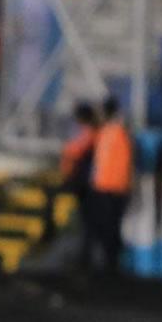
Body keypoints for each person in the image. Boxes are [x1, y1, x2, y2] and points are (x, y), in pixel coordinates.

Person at [88, 96, 133, 275]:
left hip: (113, 188)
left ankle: (112, 265)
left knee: (111, 227)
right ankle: (107, 263)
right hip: (104, 186)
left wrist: (121, 184)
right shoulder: (106, 131)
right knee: (104, 227)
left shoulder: (118, 132)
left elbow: (123, 162)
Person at [60, 102, 99, 270]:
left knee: (87, 222)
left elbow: (74, 152)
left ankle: (85, 258)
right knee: (85, 222)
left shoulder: (89, 134)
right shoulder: (91, 133)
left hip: (86, 184)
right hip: (85, 183)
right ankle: (84, 256)